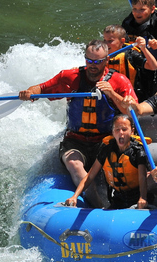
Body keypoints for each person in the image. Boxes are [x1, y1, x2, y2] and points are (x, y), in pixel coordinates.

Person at [19, 40, 138, 208]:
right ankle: (98, 207)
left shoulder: (119, 81)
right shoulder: (70, 77)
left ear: (107, 60)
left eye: (98, 61)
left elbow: (133, 111)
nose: (93, 65)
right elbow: (42, 88)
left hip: (105, 141)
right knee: (74, 164)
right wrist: (30, 92)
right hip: (75, 140)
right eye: (89, 60)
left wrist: (112, 93)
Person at [64, 114, 149, 210]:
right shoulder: (106, 150)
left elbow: (142, 177)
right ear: (112, 132)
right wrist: (75, 196)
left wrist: (143, 198)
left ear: (132, 131)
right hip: (117, 198)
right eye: (117, 129)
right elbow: (90, 176)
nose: (121, 133)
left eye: (124, 129)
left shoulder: (138, 151)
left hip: (136, 198)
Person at [103, 24, 157, 101]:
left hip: (129, 98)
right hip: (109, 97)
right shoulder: (101, 55)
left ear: (122, 41)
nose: (106, 44)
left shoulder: (130, 54)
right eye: (104, 40)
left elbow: (153, 67)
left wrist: (144, 49)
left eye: (110, 41)